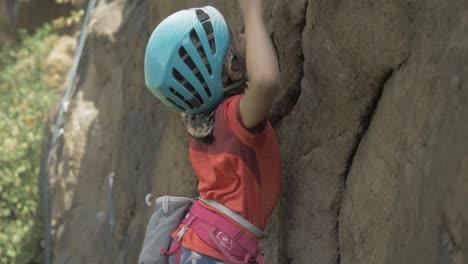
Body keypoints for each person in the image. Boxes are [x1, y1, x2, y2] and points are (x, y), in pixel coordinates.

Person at [144, 1, 281, 263]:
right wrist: (252, 14)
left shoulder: (203, 124)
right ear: (234, 69)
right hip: (212, 253)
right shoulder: (232, 118)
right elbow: (266, 83)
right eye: (237, 36)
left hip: (196, 246)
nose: (244, 35)